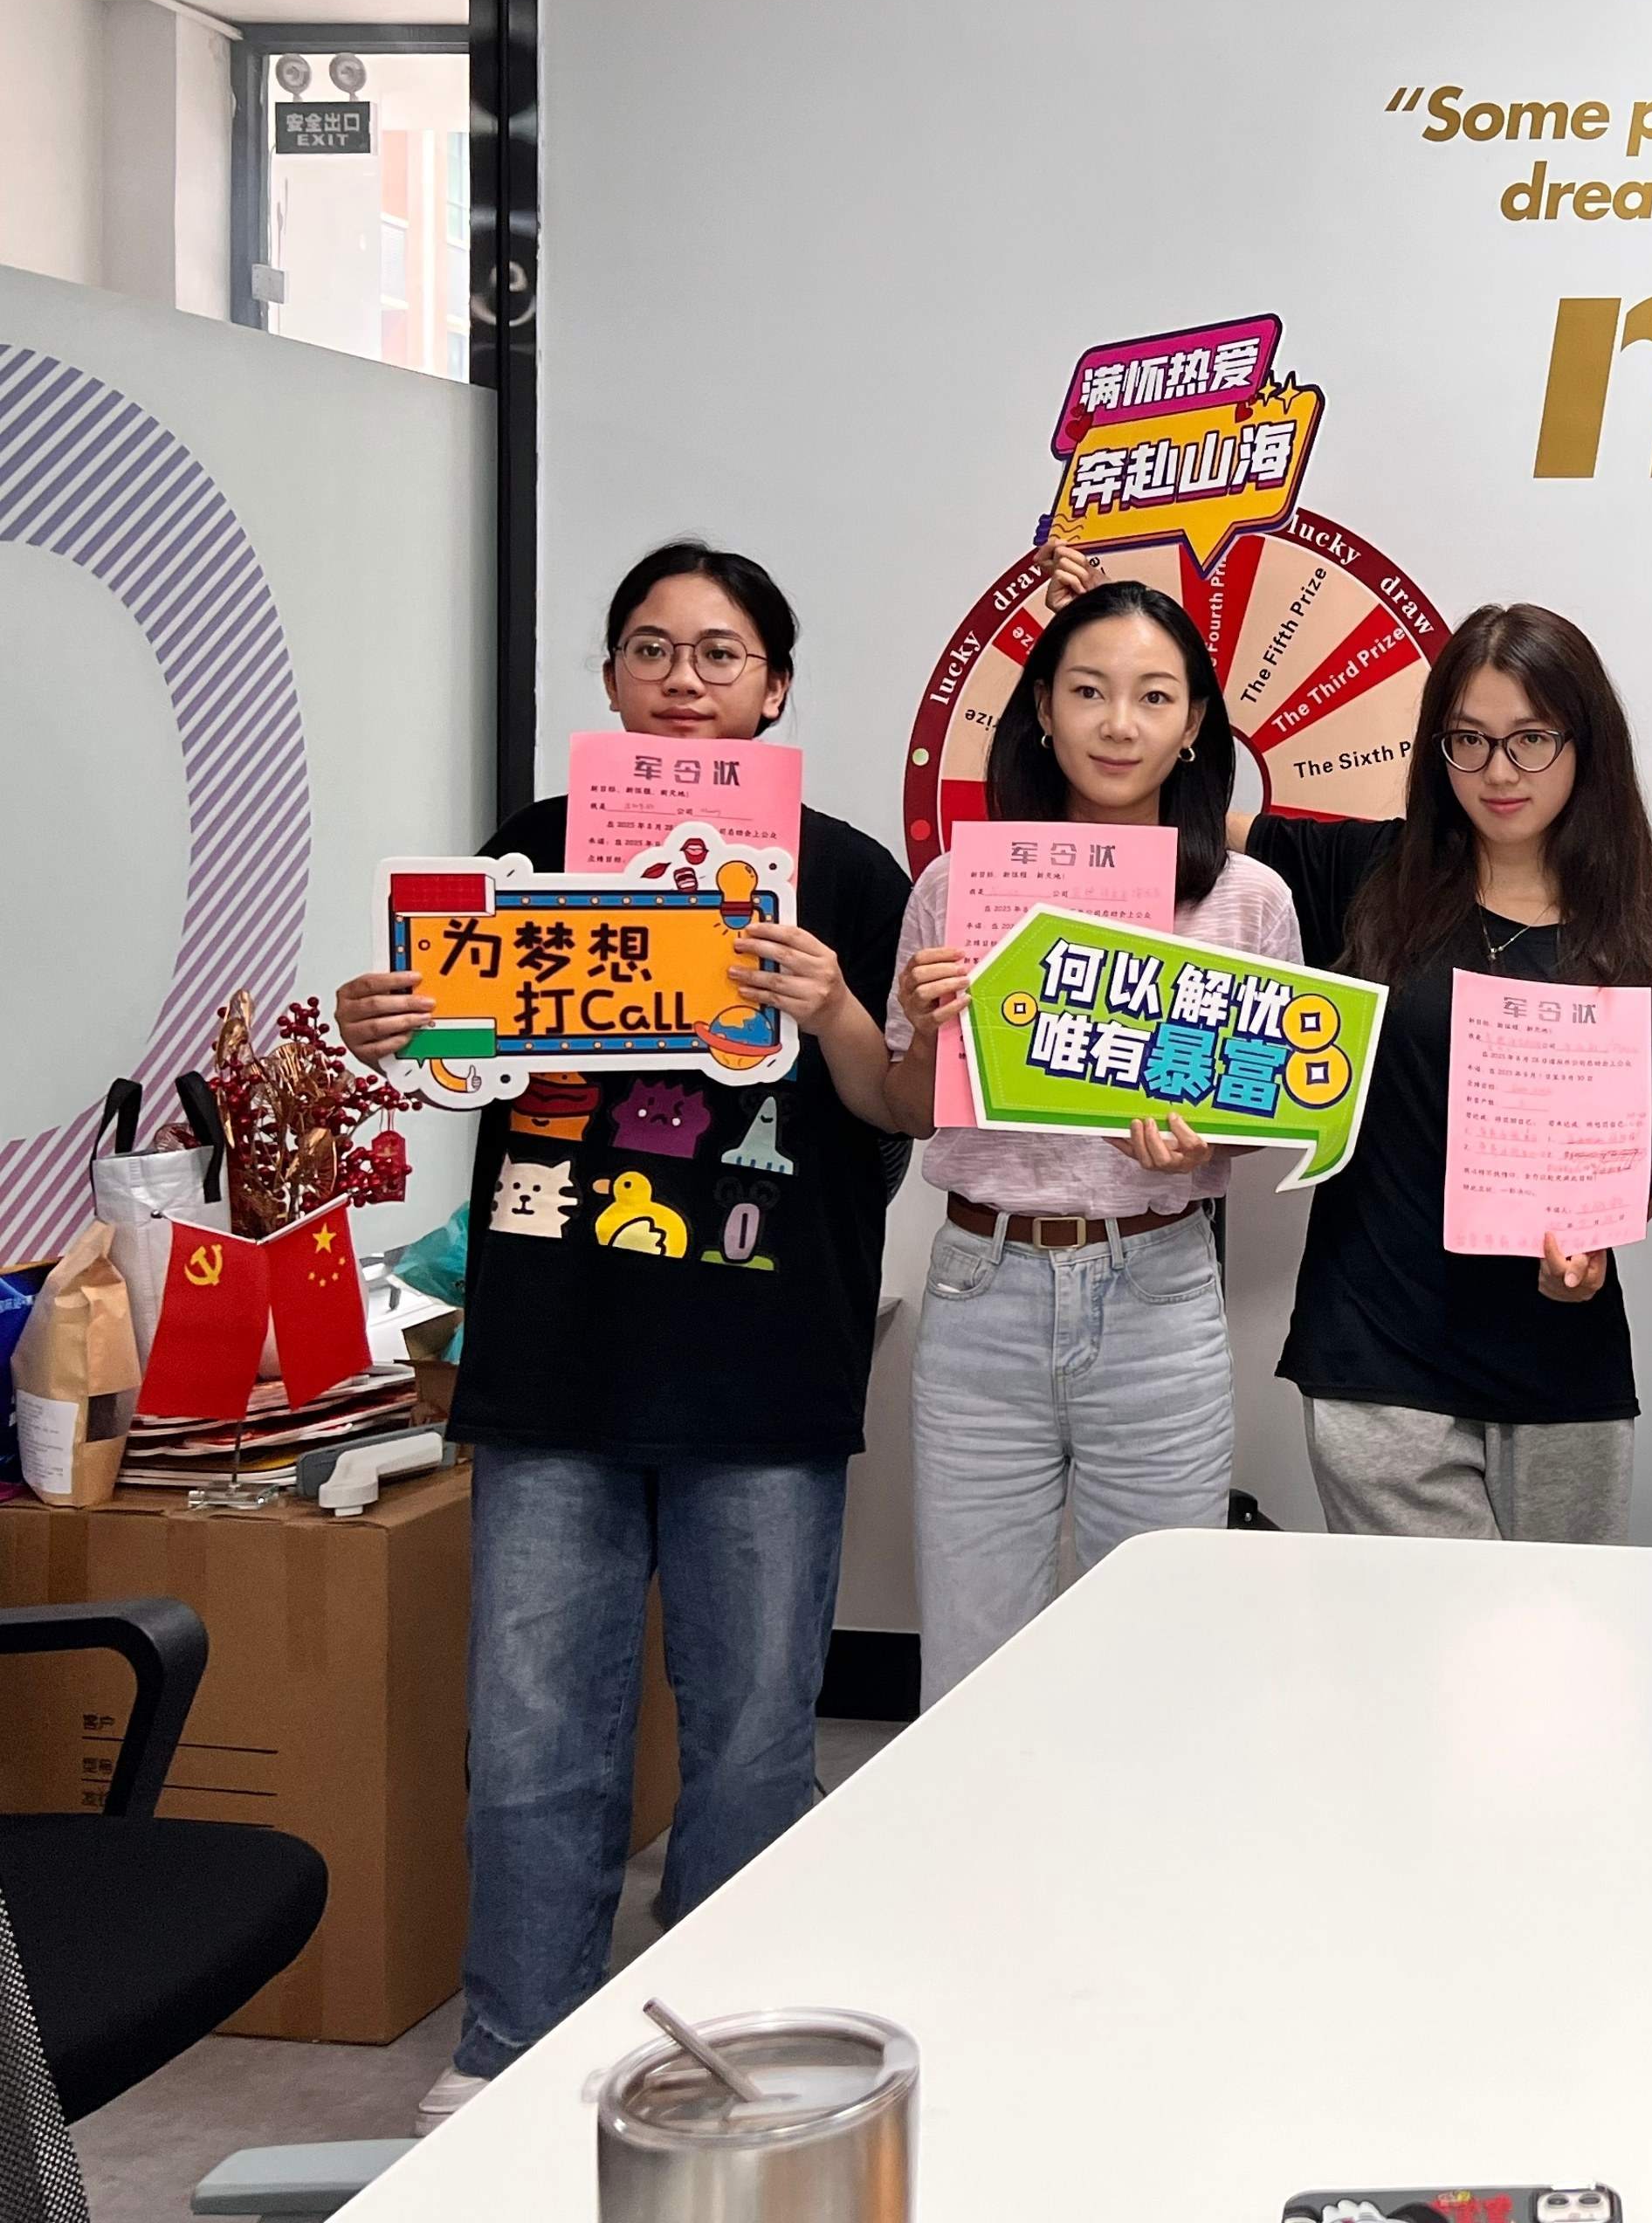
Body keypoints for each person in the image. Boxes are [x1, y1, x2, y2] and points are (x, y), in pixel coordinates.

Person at [334, 543, 909, 2123]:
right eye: (650, 648)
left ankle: (725, 2046)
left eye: (721, 654)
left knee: (753, 1743)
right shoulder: (528, 855)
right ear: (607, 680)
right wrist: (389, 1029)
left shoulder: (848, 872)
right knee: (533, 1737)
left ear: (775, 687)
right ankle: (509, 2051)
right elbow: (454, 1059)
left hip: (765, 1369)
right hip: (555, 1355)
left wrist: (833, 1005)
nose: (683, 679)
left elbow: (900, 1107)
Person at [882, 580, 1298, 1705]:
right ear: (1042, 710)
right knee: (973, 1665)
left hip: (1158, 1288)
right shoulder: (957, 887)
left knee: (1159, 1661)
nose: (1120, 724)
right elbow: (912, 1108)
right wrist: (924, 1026)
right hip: (982, 1287)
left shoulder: (1249, 899)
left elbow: (1267, 1115)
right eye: (1089, 692)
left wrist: (1206, 1147)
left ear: (1196, 722)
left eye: (1154, 696)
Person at [1231, 602, 1652, 1542]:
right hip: (1379, 1352)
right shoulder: (1368, 874)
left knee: (1559, 1630)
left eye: (1532, 739)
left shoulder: (1645, 941)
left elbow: (1647, 1167)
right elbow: (1176, 814)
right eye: (1469, 741)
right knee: (1419, 1632)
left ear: (1587, 743)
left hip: (1563, 1365)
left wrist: (1591, 1250)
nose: (1499, 772)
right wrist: (1093, 648)